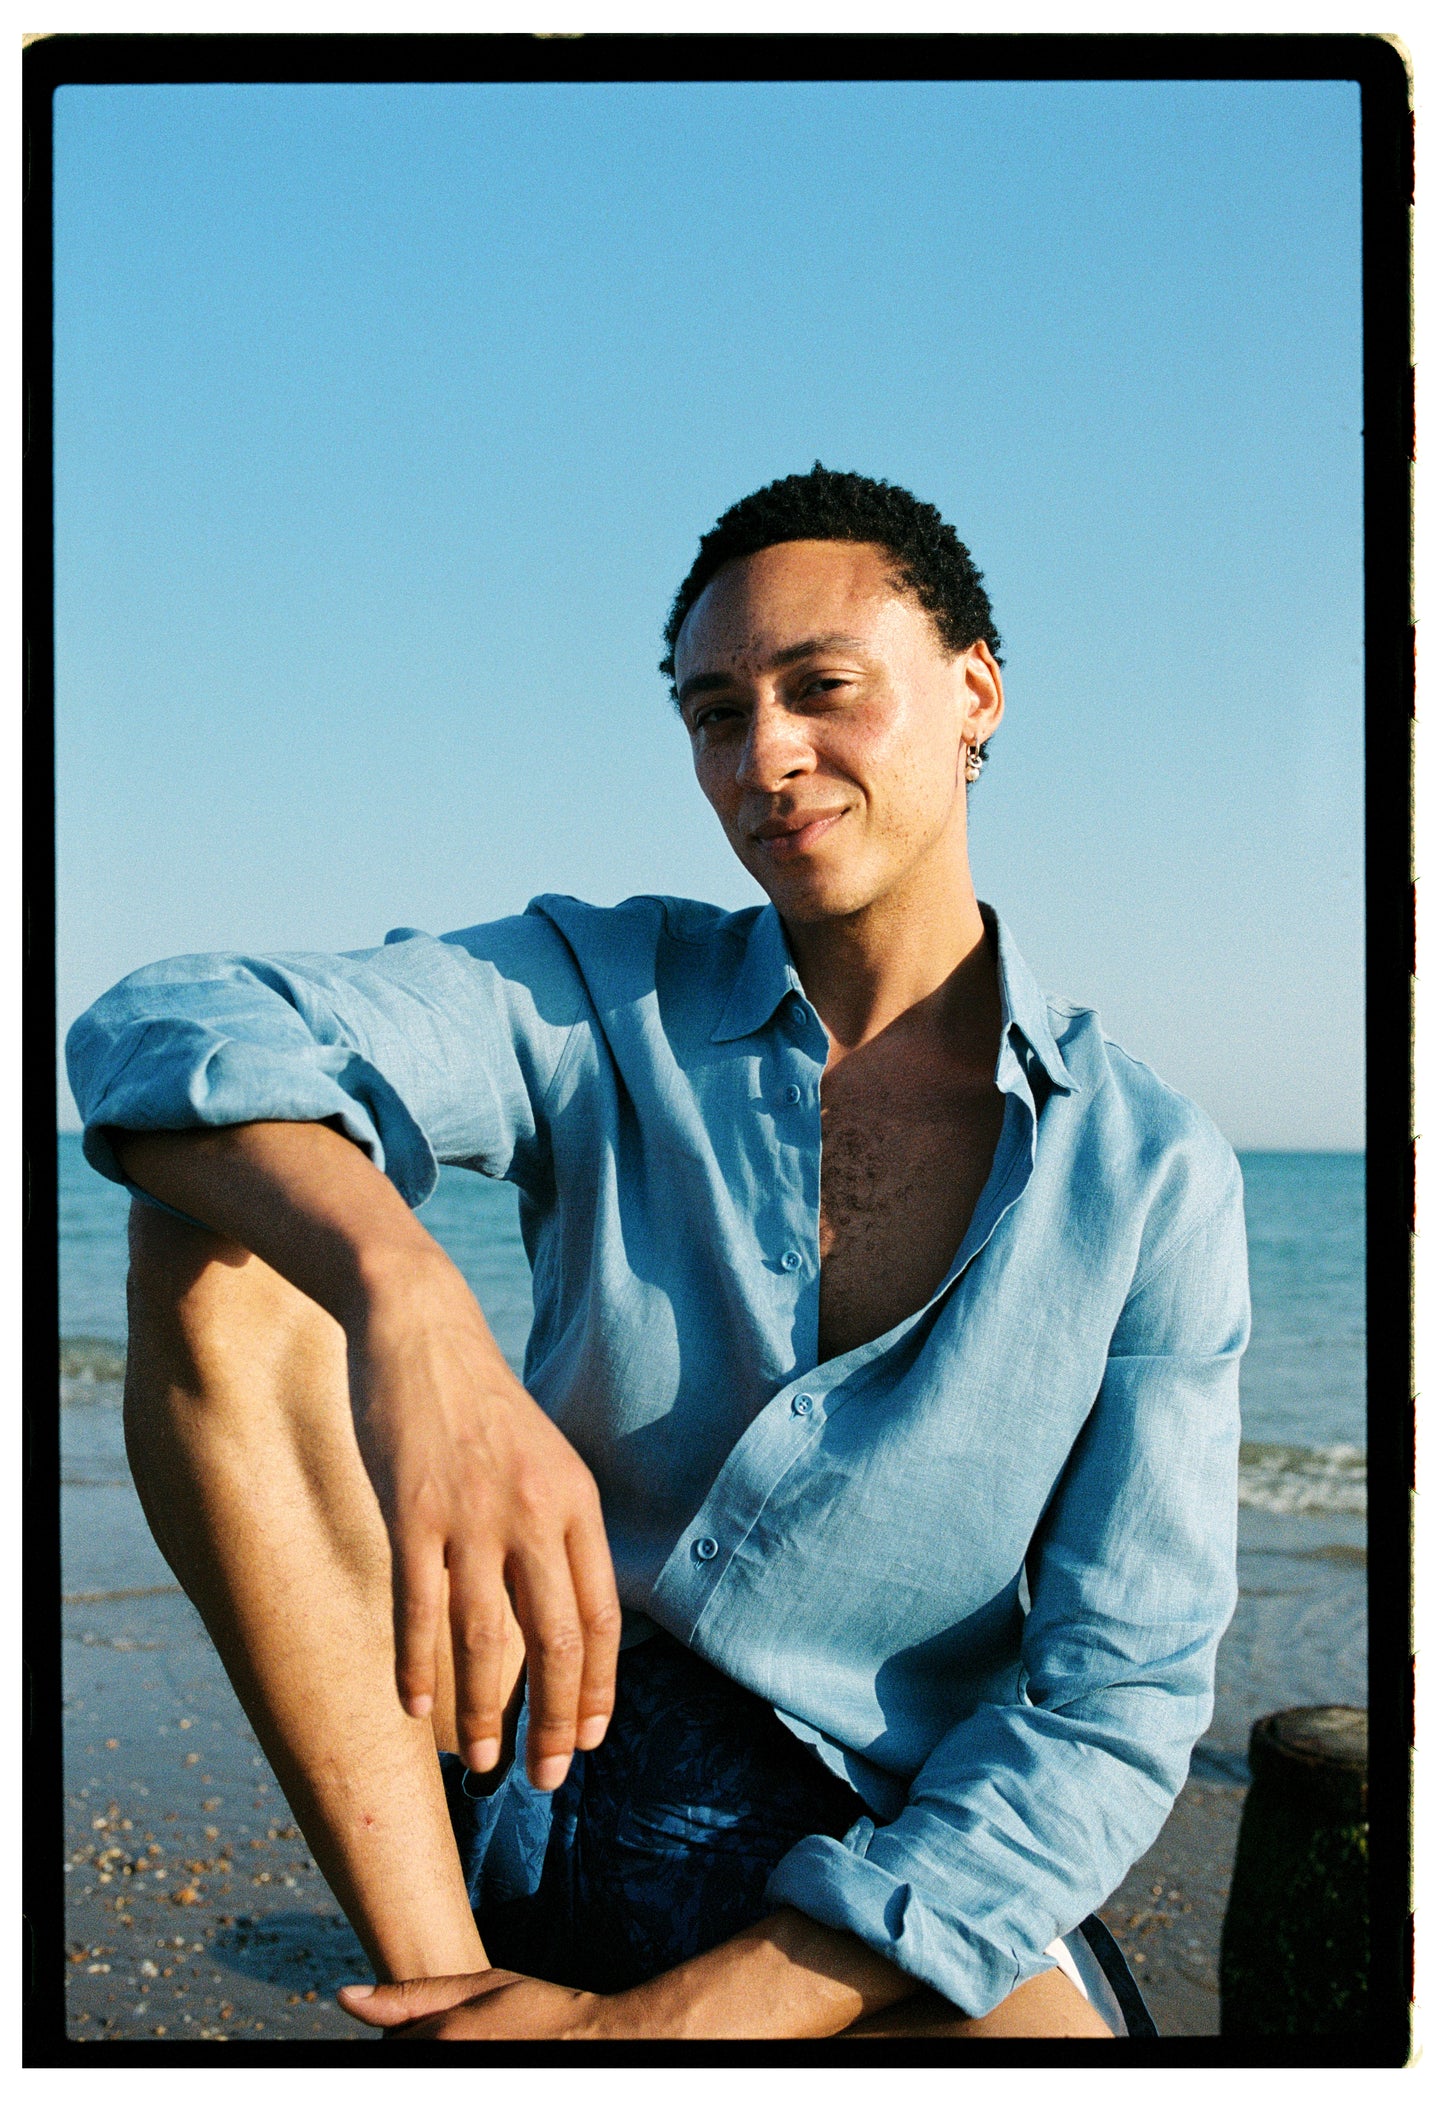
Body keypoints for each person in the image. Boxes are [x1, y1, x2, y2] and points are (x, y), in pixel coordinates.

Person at [66, 465, 1248, 2041]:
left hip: (839, 1849)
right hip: (484, 1738)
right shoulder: (596, 986)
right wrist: (409, 1301)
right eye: (714, 714)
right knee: (216, 1239)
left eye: (821, 688)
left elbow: (1110, 1700)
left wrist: (647, 2032)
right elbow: (167, 1023)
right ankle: (445, 2017)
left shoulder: (1150, 1173)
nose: (764, 756)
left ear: (974, 692)